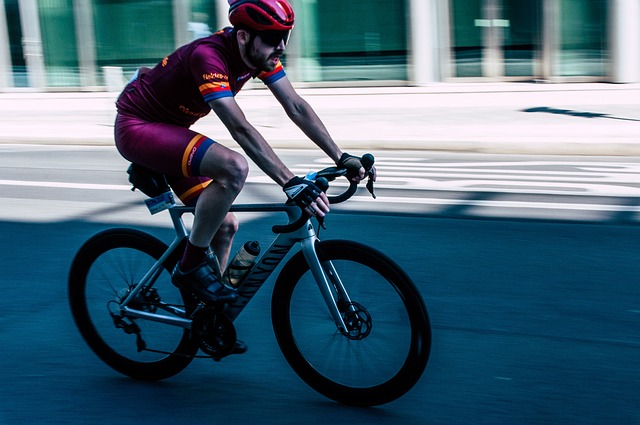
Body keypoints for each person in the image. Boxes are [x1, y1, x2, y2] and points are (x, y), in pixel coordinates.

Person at [114, 0, 373, 310]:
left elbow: (296, 106)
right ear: (243, 37)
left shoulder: (261, 55)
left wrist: (340, 157)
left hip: (171, 133)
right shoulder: (208, 56)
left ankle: (209, 315)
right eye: (272, 38)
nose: (280, 46)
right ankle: (189, 267)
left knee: (224, 226)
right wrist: (289, 181)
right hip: (138, 128)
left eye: (285, 36)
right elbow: (240, 128)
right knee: (234, 167)